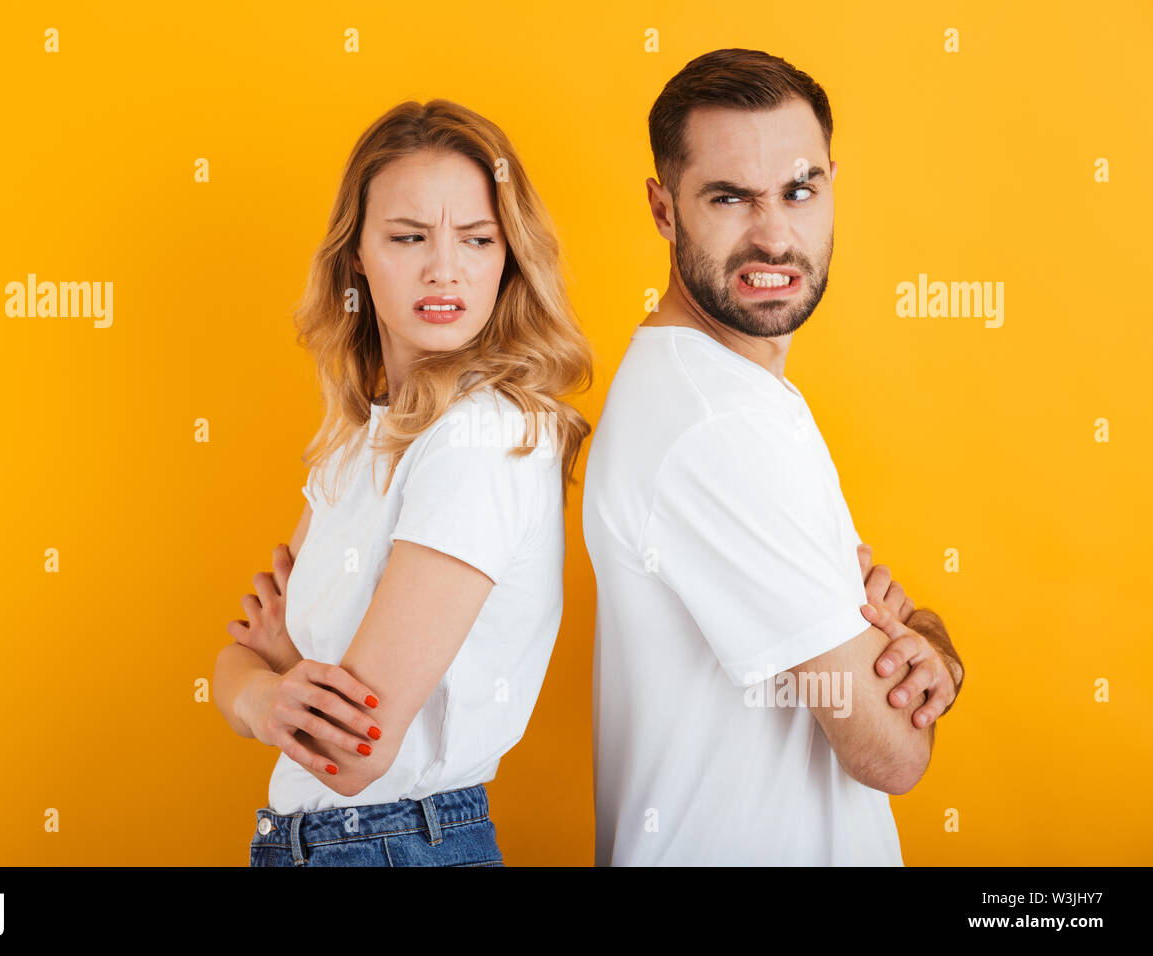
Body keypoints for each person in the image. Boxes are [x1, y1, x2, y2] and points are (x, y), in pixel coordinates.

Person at [584, 49, 966, 865]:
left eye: (800, 191)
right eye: (730, 197)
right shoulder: (715, 424)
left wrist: (918, 637)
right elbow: (889, 753)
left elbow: (869, 665)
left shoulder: (725, 392)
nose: (774, 236)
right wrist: (915, 661)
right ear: (663, 208)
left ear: (832, 183)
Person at [212, 99, 593, 867]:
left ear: (508, 258)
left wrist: (271, 685)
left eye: (477, 240)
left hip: (392, 844)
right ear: (357, 255)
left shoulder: (483, 438)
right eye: (408, 237)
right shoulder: (359, 441)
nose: (443, 269)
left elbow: (349, 747)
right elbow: (236, 662)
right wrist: (265, 691)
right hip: (323, 845)